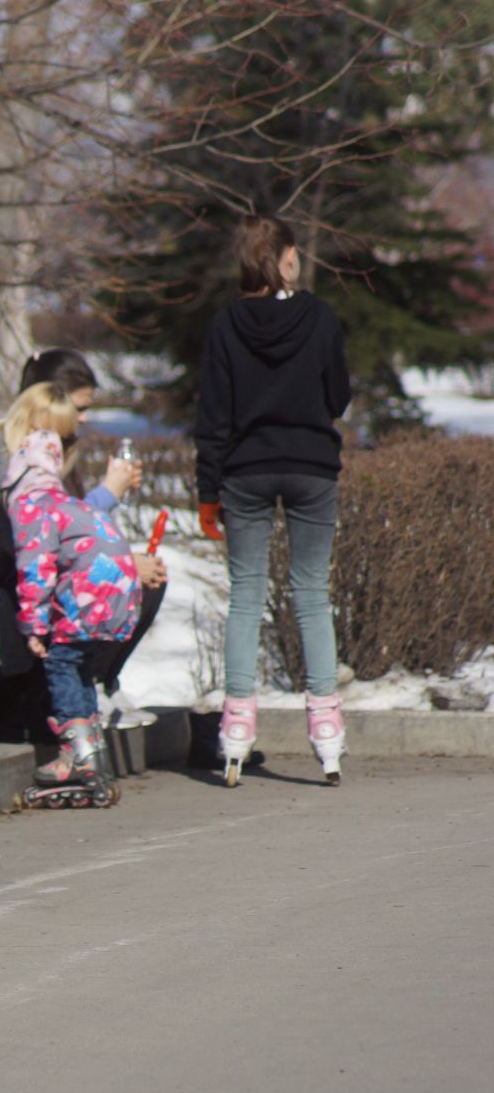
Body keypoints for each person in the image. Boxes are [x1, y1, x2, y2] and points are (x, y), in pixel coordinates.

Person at [0, 349, 168, 729]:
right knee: (94, 588)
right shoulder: (1, 468)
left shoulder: (24, 457)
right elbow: (45, 547)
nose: (78, 428)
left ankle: (89, 691)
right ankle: (72, 701)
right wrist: (115, 531)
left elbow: (52, 538)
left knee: (121, 584)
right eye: (71, 422)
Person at [196, 215, 352, 786]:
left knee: (246, 595)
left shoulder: (224, 326)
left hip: (245, 471)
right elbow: (339, 395)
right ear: (285, 259)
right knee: (311, 594)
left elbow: (211, 417)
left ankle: (237, 729)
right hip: (311, 467)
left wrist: (207, 492)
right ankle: (327, 732)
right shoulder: (319, 318)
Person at [0, 384, 144, 800]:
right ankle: (91, 749)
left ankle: (75, 755)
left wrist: (32, 625)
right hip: (118, 593)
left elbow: (35, 569)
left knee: (61, 664)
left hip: (90, 597)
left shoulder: (32, 506)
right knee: (80, 665)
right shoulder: (67, 502)